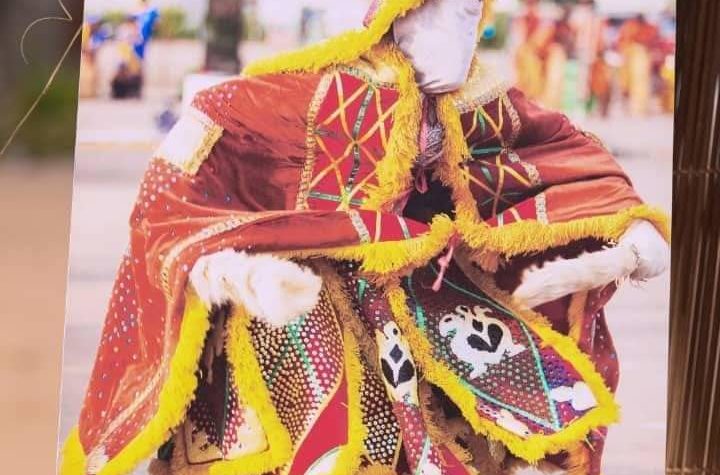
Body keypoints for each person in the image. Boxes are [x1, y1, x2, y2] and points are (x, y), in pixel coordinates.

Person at [60, 1, 670, 474]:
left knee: (528, 405)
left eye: (470, 15)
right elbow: (197, 147)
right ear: (398, 17)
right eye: (441, 13)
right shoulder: (311, 90)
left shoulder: (482, 102)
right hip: (310, 290)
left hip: (431, 293)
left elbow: (566, 154)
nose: (459, 37)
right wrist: (237, 266)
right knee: (320, 406)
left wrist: (627, 222)